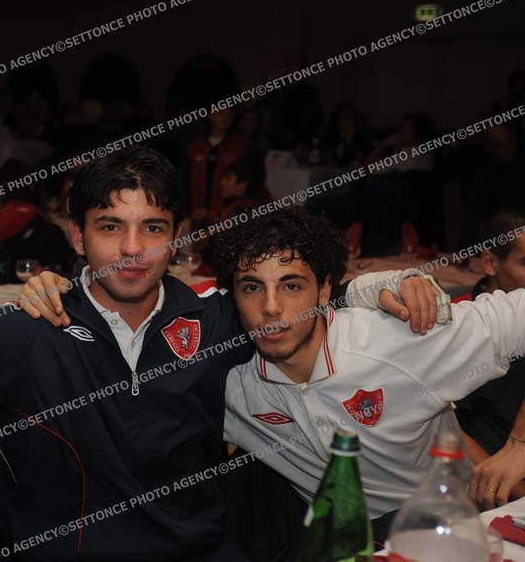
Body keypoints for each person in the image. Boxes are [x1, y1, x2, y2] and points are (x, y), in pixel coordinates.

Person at [0, 146, 438, 561]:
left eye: (152, 227)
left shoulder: (222, 317)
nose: (131, 249)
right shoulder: (29, 326)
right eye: (109, 227)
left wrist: (383, 284)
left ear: (178, 236)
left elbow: (313, 293)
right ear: (75, 236)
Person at [209, 207, 525, 547]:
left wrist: (520, 445)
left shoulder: (402, 338)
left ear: (324, 291)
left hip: (446, 530)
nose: (271, 307)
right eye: (252, 287)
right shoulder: (228, 378)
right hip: (335, 543)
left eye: (291, 286)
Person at [454, 210, 525, 509]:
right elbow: (444, 427)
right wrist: (516, 492)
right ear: (490, 263)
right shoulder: (457, 325)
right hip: (489, 487)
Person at [186, 108, 246, 221]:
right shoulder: (195, 145)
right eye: (221, 113)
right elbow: (185, 180)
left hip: (225, 216)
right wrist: (188, 211)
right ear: (210, 116)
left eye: (229, 115)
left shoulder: (239, 147)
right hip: (194, 213)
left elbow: (242, 187)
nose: (225, 118)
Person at [214, 155, 271, 221]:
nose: (222, 182)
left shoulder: (244, 211)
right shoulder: (242, 206)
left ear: (242, 185)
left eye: (229, 178)